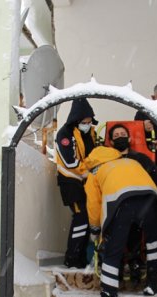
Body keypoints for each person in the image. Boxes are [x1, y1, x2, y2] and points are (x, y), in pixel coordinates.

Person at [84, 146, 157, 297]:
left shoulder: (95, 172)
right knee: (154, 241)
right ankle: (153, 282)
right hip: (150, 197)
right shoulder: (129, 161)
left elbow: (93, 204)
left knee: (113, 251)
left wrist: (96, 230)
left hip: (121, 202)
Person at [55, 98, 98, 269]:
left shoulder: (91, 133)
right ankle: (72, 258)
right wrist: (89, 169)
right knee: (81, 218)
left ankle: (79, 258)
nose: (87, 125)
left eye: (89, 122)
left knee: (88, 219)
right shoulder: (65, 134)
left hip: (87, 182)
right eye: (84, 122)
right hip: (71, 182)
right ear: (76, 120)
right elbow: (70, 162)